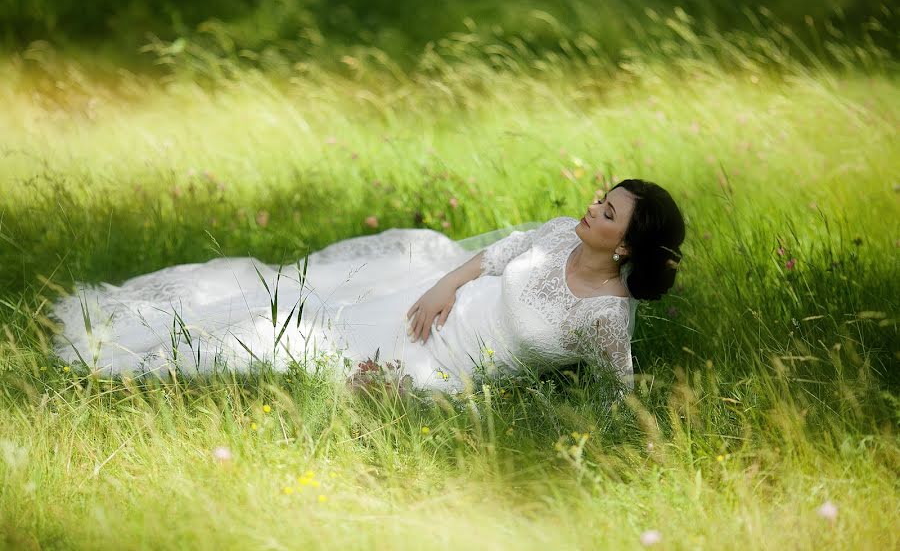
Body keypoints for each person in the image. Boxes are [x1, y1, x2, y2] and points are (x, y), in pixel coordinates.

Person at [47, 178, 685, 397]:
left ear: (625, 247)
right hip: (434, 308)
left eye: (607, 213)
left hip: (453, 370)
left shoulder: (606, 316)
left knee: (306, 359)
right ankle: (128, 338)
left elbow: (615, 394)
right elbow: (489, 259)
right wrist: (441, 287)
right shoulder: (552, 235)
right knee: (292, 317)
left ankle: (140, 358)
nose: (592, 209)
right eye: (602, 198)